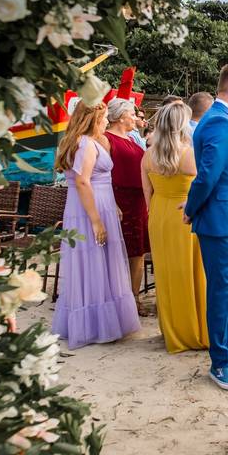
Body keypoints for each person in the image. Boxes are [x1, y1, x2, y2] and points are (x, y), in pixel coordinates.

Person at [184, 64, 228, 391]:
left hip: (227, 219)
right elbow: (208, 175)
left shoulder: (219, 119)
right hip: (219, 220)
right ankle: (220, 362)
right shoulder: (220, 122)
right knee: (222, 290)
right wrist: (191, 208)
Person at [51, 102, 141, 349]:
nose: (105, 122)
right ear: (92, 120)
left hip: (101, 203)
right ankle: (94, 324)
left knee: (99, 262)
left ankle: (101, 320)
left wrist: (113, 206)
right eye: (102, 119)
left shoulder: (83, 142)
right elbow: (82, 181)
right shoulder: (85, 144)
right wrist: (96, 220)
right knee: (94, 261)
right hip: (89, 208)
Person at [141, 101, 209, 352]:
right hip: (186, 216)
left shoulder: (148, 155)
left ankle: (172, 332)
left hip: (159, 216)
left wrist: (155, 214)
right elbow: (206, 187)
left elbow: (147, 192)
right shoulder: (189, 154)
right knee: (191, 272)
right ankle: (194, 331)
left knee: (166, 274)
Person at [104, 98, 150, 314]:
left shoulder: (133, 140)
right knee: (118, 251)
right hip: (119, 198)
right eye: (132, 114)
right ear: (121, 116)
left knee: (138, 251)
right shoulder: (106, 139)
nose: (136, 118)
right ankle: (117, 298)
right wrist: (111, 202)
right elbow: (102, 175)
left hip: (139, 200)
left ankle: (134, 297)